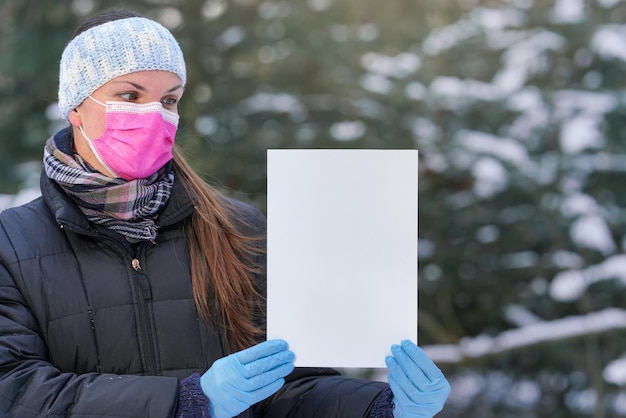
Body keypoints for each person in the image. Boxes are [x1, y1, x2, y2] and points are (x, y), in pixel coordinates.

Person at [0, 9, 450, 418]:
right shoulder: (12, 244)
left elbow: (289, 387)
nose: (153, 114)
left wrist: (383, 409)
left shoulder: (238, 229)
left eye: (169, 100)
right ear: (77, 106)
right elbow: (15, 390)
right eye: (130, 95)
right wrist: (187, 403)